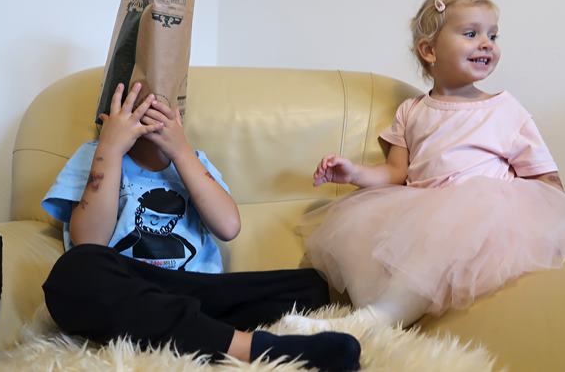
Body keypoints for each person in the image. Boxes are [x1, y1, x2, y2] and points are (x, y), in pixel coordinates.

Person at [284, 0, 565, 332]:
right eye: (471, 33)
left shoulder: (505, 110)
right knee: (359, 232)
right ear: (429, 50)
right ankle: (375, 314)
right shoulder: (411, 111)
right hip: (423, 212)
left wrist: (552, 230)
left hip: (482, 218)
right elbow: (395, 172)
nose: (486, 44)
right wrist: (354, 172)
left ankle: (371, 321)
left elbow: (546, 179)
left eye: (493, 35)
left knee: (457, 226)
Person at [41, 81, 361, 372]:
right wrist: (109, 149)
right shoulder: (94, 155)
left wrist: (181, 152)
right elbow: (89, 242)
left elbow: (229, 226)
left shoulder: (193, 160)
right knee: (73, 271)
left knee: (312, 285)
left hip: (199, 290)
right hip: (132, 290)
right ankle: (249, 347)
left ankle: (195, 329)